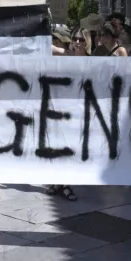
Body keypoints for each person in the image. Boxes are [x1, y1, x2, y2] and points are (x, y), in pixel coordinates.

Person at [46, 39, 77, 201]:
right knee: (55, 146)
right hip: (51, 108)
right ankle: (59, 182)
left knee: (66, 145)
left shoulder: (68, 55)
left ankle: (65, 183)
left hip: (69, 109)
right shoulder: (46, 51)